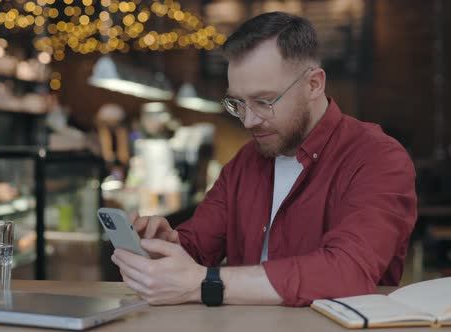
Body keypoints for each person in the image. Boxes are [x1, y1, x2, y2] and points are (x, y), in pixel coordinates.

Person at [111, 11, 417, 307]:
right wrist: (165, 251)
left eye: (264, 101)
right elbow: (198, 249)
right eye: (238, 103)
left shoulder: (378, 157)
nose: (248, 121)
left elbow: (347, 272)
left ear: (314, 84)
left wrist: (206, 283)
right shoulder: (246, 161)